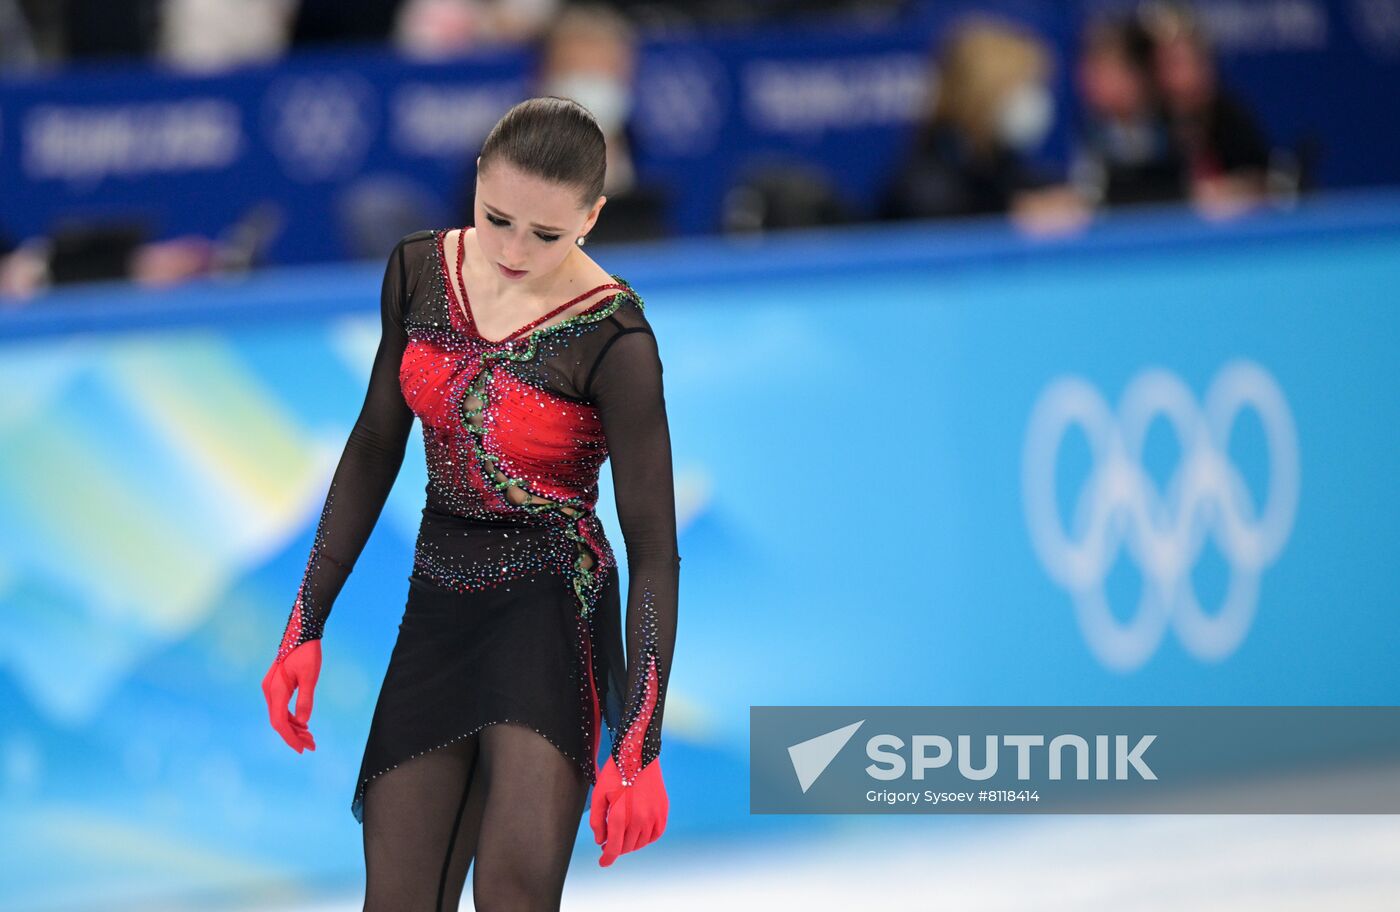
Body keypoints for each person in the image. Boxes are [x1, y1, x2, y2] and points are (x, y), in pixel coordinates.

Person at [260, 96, 681, 910]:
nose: (516, 250)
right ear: (476, 184)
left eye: (548, 235)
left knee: (513, 895)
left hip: (554, 608)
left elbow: (654, 546)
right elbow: (377, 445)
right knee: (400, 898)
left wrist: (639, 744)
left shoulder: (616, 340)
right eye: (498, 220)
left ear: (593, 216)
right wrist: (305, 623)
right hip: (440, 600)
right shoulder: (418, 271)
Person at [877, 17, 1088, 235]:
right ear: (981, 97)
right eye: (1023, 88)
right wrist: (1013, 219)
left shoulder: (1003, 165)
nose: (1033, 100)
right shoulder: (924, 188)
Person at [1071, 13, 1188, 208]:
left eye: (1103, 70)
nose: (1089, 80)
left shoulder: (1177, 127)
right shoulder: (1088, 128)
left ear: (1137, 75)